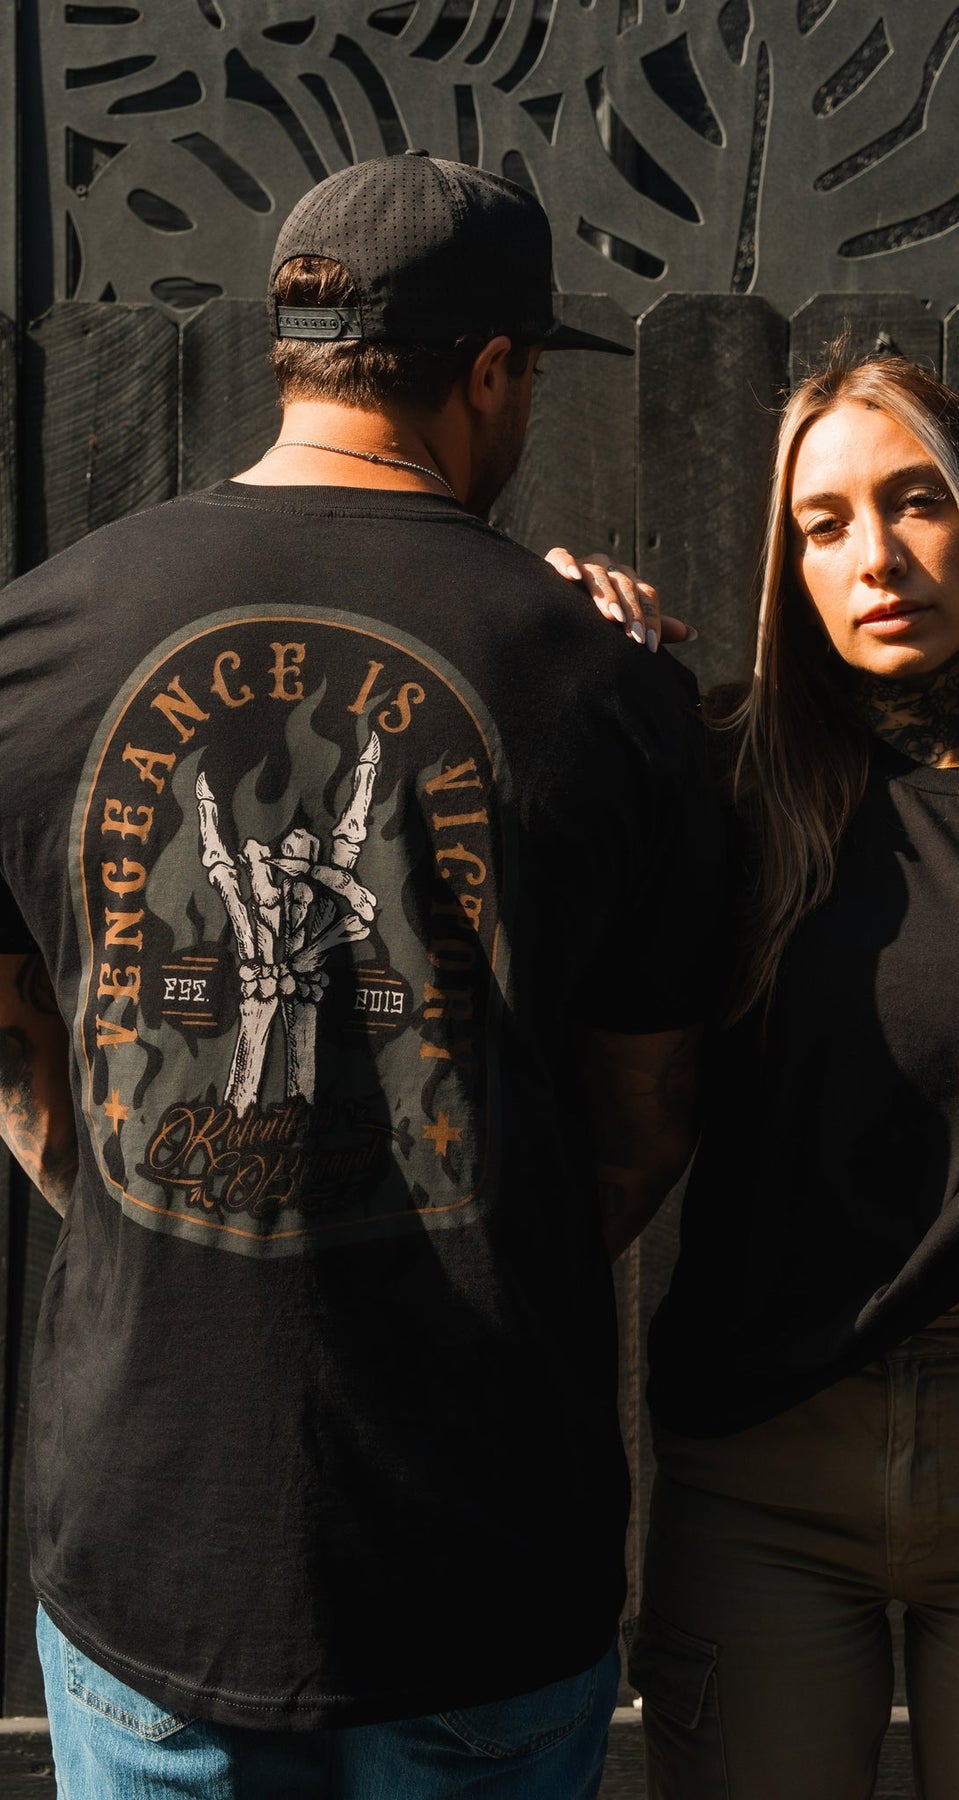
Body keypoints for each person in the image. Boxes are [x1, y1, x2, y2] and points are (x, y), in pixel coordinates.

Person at [0, 153, 724, 1799]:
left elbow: (19, 1061)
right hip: (480, 1565)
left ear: (293, 348)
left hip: (148, 1551)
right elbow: (643, 1119)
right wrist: (455, 1215)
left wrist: (155, 1196)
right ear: (492, 371)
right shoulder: (613, 692)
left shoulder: (32, 643)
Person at [552, 351, 959, 1799]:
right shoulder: (713, 777)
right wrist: (551, 631)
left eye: (918, 504)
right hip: (758, 1450)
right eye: (824, 522)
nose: (877, 555)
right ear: (789, 564)